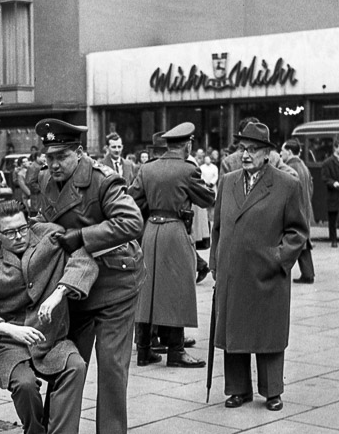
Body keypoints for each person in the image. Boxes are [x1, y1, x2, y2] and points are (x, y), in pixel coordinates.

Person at [34, 118, 144, 434]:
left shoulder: (101, 180)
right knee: (67, 357)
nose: (54, 164)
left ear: (79, 153)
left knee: (111, 361)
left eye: (62, 156)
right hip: (76, 281)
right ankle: (55, 430)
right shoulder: (45, 180)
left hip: (115, 280)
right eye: (48, 157)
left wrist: (82, 236)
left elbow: (131, 222)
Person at [0, 200, 99, 434]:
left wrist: (60, 292)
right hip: (7, 341)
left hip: (48, 334)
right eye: (10, 232)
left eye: (23, 228)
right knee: (24, 383)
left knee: (75, 365)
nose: (19, 236)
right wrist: (8, 330)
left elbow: (83, 257)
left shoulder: (50, 234)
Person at [209, 120, 308, 412]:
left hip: (267, 273)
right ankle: (238, 390)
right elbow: (218, 226)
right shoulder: (228, 182)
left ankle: (272, 391)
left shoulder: (286, 184)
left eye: (253, 149)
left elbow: (298, 231)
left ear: (267, 153)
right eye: (243, 148)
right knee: (234, 332)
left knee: (268, 333)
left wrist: (279, 258)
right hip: (233, 271)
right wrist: (216, 261)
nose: (246, 155)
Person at [130, 122, 215, 368]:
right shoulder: (187, 170)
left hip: (150, 231)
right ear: (187, 144)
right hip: (175, 229)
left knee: (147, 290)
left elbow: (133, 198)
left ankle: (144, 351)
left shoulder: (148, 169)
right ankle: (176, 351)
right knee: (178, 288)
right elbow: (206, 198)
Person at [281, 139, 316, 284]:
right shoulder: (302, 165)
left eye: (282, 151)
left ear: (289, 151)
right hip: (305, 207)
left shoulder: (290, 167)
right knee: (303, 242)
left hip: (296, 209)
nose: (280, 154)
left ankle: (303, 273)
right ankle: (308, 273)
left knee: (295, 241)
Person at [219, 119, 297, 179]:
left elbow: (292, 177)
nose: (245, 155)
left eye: (253, 149)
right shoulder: (229, 162)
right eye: (245, 148)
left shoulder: (273, 158)